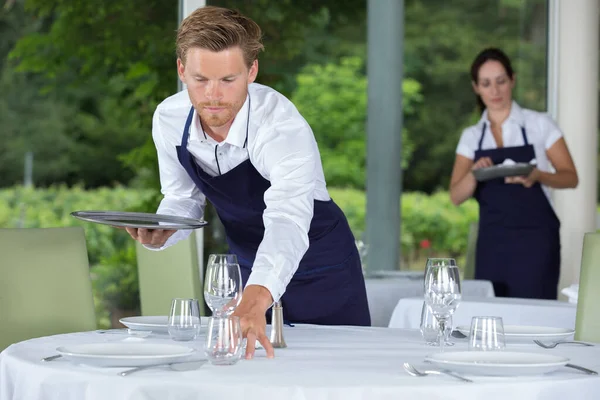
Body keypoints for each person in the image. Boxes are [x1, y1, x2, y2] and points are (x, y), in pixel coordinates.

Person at [125, 6, 371, 359]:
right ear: (181, 70)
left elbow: (287, 218)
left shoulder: (280, 126)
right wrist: (166, 228)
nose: (213, 95)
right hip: (246, 270)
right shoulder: (168, 119)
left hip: (321, 269)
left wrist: (257, 296)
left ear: (251, 71)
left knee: (338, 375)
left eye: (228, 80)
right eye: (200, 79)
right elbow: (182, 198)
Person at [449, 48, 578, 300]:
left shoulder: (540, 124)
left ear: (512, 80)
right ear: (476, 87)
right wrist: (475, 173)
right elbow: (455, 195)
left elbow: (570, 177)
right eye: (486, 83)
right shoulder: (472, 137)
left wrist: (539, 175)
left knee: (535, 317)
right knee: (489, 314)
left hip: (537, 242)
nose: (495, 91)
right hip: (492, 242)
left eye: (501, 81)